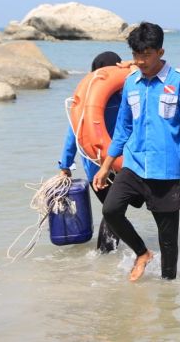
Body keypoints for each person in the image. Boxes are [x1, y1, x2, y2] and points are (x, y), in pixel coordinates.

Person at [92, 22, 180, 281]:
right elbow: (122, 128)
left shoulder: (179, 81)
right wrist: (106, 165)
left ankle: (168, 300)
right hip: (134, 165)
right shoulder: (131, 83)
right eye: (136, 55)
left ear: (160, 52)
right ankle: (142, 253)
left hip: (166, 170)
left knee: (168, 242)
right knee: (110, 210)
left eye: (146, 55)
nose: (140, 61)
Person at [59, 51, 122, 253]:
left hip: (95, 171)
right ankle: (105, 253)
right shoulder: (124, 102)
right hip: (116, 168)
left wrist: (65, 166)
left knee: (112, 210)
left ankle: (105, 256)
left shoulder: (86, 105)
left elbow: (73, 135)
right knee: (114, 211)